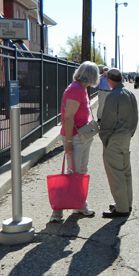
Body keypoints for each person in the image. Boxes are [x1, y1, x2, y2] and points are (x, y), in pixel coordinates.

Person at [50, 61, 100, 223]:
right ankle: (63, 208)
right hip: (76, 138)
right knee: (74, 173)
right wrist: (69, 142)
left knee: (80, 170)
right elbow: (69, 117)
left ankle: (77, 203)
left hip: (82, 136)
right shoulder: (76, 90)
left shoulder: (81, 88)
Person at [99, 68, 139, 218]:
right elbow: (135, 117)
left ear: (109, 80)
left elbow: (108, 121)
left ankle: (121, 207)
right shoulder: (129, 94)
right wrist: (130, 133)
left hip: (114, 137)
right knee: (125, 171)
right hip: (126, 136)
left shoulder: (113, 96)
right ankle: (126, 203)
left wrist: (104, 138)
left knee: (115, 174)